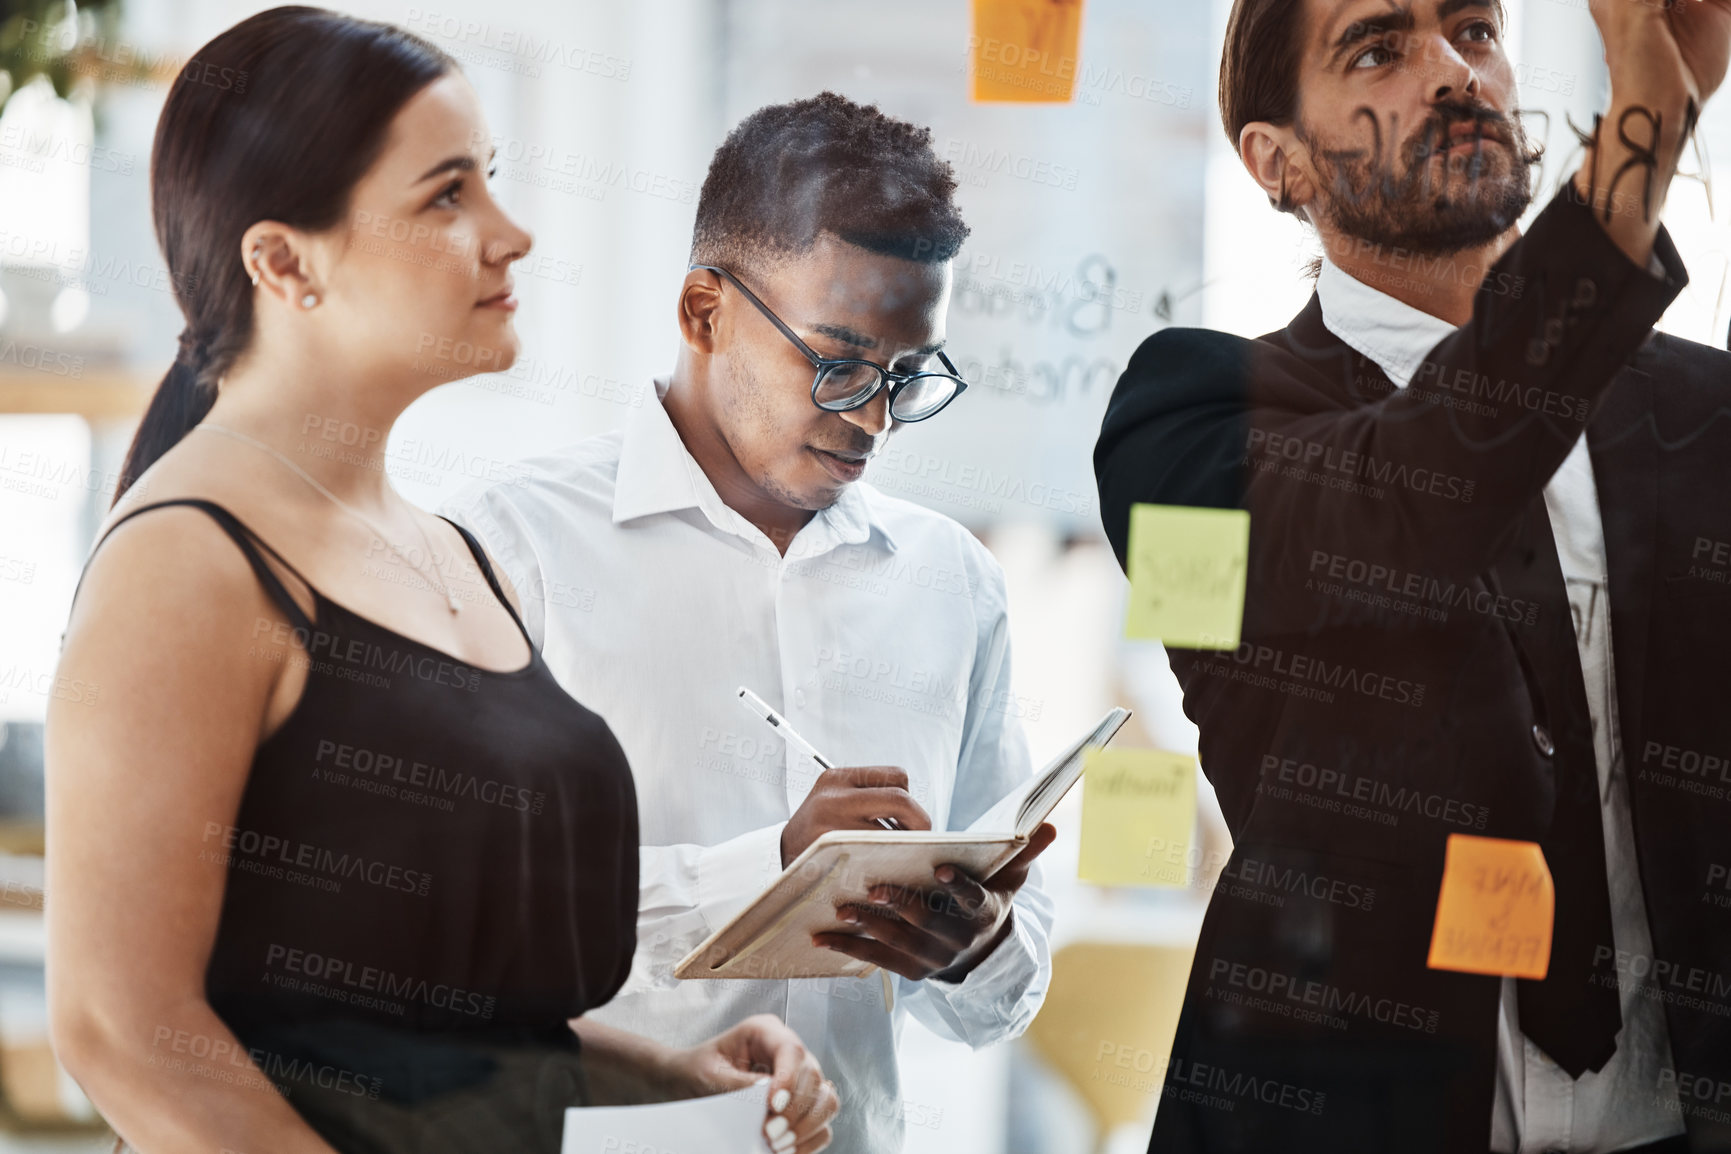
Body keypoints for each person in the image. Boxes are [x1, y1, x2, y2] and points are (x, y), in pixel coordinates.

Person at [45, 10, 837, 1153]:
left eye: (495, 182)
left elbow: (441, 1027)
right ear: (283, 261)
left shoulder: (453, 553)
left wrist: (678, 1079)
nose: (510, 234)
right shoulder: (190, 560)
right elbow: (124, 1031)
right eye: (446, 195)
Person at [1093, 0, 1731, 1150]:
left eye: (1475, 33)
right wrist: (1640, 143)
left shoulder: (1707, 416)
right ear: (1275, 161)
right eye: (1380, 48)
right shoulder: (1184, 425)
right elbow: (1418, 493)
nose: (1451, 71)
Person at [443, 92, 1055, 1154]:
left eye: (908, 378)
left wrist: (974, 945)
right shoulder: (511, 549)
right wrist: (768, 866)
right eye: (838, 361)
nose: (870, 417)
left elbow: (1002, 997)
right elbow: (455, 931)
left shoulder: (954, 584)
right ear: (702, 310)